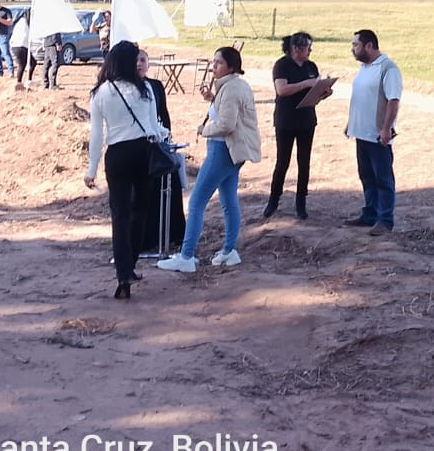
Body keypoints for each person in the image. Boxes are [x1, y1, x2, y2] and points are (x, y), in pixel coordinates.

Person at [157, 46, 261, 273]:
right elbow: (227, 112)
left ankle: (186, 256)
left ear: (231, 67)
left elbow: (226, 124)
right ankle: (229, 250)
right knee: (228, 201)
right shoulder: (235, 86)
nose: (213, 67)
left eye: (219, 63)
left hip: (222, 150)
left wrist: (203, 129)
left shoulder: (231, 89)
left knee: (196, 202)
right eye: (213, 63)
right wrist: (212, 100)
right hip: (232, 151)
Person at [84, 40, 173, 300]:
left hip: (117, 154)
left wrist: (91, 169)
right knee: (140, 211)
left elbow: (97, 136)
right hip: (143, 152)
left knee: (119, 214)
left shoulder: (101, 92)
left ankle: (123, 272)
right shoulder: (145, 88)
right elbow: (154, 128)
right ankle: (131, 264)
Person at [263, 33, 335, 221]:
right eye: (307, 48)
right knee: (282, 162)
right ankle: (273, 200)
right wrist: (306, 83)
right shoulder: (282, 65)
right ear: (296, 49)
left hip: (307, 120)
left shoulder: (311, 66)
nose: (310, 51)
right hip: (286, 120)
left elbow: (315, 93)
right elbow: (282, 90)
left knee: (304, 162)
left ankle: (301, 202)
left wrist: (323, 92)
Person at [343, 29, 402, 237]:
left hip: (377, 135)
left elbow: (393, 100)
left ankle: (385, 220)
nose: (353, 49)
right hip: (360, 132)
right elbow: (360, 98)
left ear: (369, 45)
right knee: (366, 176)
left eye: (356, 45)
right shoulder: (364, 68)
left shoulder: (388, 68)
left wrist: (386, 128)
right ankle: (369, 214)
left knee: (383, 178)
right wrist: (351, 123)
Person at [137, 48, 186, 254]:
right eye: (136, 60)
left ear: (148, 63)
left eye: (143, 60)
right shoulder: (130, 88)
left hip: (160, 142)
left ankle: (174, 234)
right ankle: (146, 239)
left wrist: (167, 138)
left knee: (171, 186)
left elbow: (163, 114)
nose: (139, 64)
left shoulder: (156, 85)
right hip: (140, 145)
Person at [10, 9, 36, 89]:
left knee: (32, 62)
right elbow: (25, 36)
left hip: (18, 45)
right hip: (20, 45)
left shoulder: (20, 22)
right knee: (23, 64)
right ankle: (19, 82)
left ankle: (28, 80)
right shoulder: (23, 23)